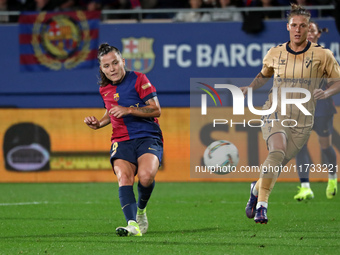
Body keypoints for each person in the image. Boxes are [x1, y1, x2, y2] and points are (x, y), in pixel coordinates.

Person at [243, 4, 340, 224]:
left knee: (275, 163)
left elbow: (338, 81)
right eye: (294, 25)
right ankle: (262, 207)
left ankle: (255, 189)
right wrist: (251, 87)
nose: (298, 29)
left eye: (302, 26)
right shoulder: (275, 52)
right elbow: (263, 73)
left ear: (309, 29)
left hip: (303, 120)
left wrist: (326, 92)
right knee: (276, 152)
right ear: (287, 27)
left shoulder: (323, 55)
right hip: (275, 112)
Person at [84, 43, 163, 236]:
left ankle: (141, 212)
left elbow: (156, 109)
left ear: (123, 62)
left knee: (146, 177)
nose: (112, 69)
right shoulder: (104, 89)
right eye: (107, 66)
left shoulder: (138, 78)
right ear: (102, 69)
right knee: (124, 177)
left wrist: (129, 110)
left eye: (115, 63)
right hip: (121, 139)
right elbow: (110, 112)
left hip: (147, 136)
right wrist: (99, 123)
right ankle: (132, 224)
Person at [294, 21, 338, 201]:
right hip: (300, 108)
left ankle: (333, 179)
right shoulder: (293, 54)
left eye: (312, 31)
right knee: (299, 146)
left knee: (325, 145)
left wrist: (326, 91)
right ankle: (305, 187)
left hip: (322, 108)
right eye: (306, 30)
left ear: (318, 34)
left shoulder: (326, 55)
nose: (308, 33)